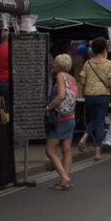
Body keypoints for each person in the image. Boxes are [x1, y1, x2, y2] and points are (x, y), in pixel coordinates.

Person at [76, 36, 111, 160]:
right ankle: (97, 152)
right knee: (99, 121)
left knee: (94, 118)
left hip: (89, 95)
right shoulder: (109, 64)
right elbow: (110, 83)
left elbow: (82, 80)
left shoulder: (88, 63)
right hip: (103, 94)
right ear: (104, 49)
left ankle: (84, 137)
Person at [43, 54, 78, 190]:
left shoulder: (60, 76)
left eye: (55, 63)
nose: (53, 65)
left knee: (50, 150)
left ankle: (64, 177)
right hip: (71, 117)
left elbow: (62, 95)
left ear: (60, 65)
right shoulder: (72, 79)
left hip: (60, 118)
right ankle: (65, 181)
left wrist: (48, 107)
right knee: (66, 150)